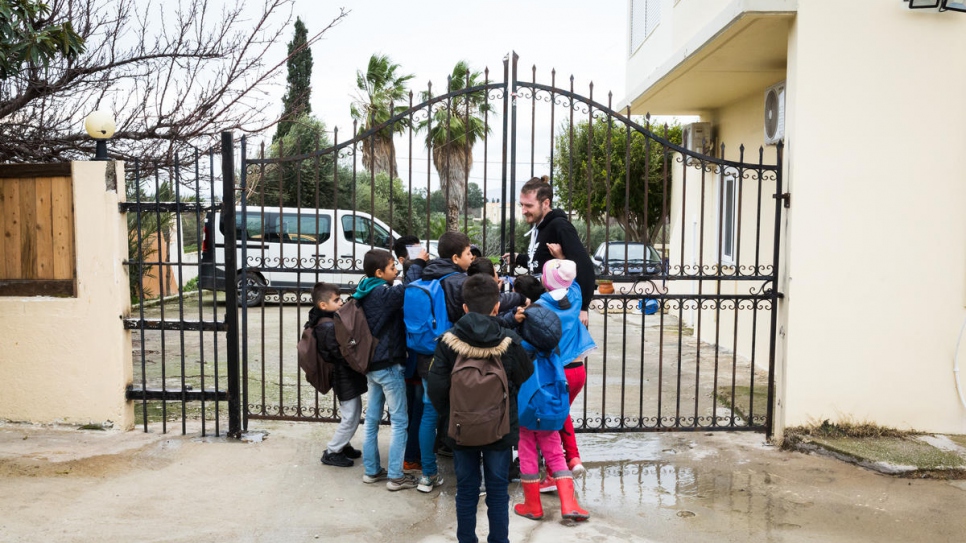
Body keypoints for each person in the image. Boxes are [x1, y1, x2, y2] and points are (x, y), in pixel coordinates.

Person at [426, 274, 534, 543]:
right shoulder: (509, 340)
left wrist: (453, 413)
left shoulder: (448, 342)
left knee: (466, 490)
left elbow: (437, 388)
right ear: (497, 307)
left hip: (461, 428)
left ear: (465, 308)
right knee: (498, 490)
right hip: (500, 428)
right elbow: (525, 373)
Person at [514, 259, 593, 522]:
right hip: (554, 403)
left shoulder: (525, 346)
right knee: (554, 451)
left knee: (526, 448)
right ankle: (569, 504)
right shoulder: (557, 352)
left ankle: (532, 505)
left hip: (529, 405)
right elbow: (575, 284)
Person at [405, 231, 474, 493]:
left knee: (428, 414)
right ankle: (466, 476)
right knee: (461, 412)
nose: (471, 257)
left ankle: (428, 475)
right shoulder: (458, 281)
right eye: (468, 253)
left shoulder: (424, 275)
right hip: (452, 355)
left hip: (424, 354)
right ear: (456, 257)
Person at [356, 248, 425, 491]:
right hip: (389, 365)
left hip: (372, 365)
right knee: (399, 421)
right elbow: (411, 286)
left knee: (372, 419)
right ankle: (396, 476)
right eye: (392, 268)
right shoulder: (383, 294)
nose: (396, 271)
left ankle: (372, 470)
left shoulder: (363, 289)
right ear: (379, 272)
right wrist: (415, 263)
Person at [507, 176, 596, 327]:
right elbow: (541, 260)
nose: (523, 211)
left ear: (546, 203)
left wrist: (583, 308)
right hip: (544, 311)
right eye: (521, 205)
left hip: (561, 313)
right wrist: (519, 258)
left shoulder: (560, 227)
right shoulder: (539, 226)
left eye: (528, 205)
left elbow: (585, 266)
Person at [308, 282, 367, 468]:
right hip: (343, 376)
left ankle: (343, 444)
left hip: (345, 376)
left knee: (352, 412)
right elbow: (339, 353)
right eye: (336, 300)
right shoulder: (326, 327)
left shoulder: (328, 320)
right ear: (323, 305)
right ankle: (333, 451)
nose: (341, 303)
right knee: (351, 415)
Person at [393, 235, 425, 473]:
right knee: (416, 409)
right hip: (413, 357)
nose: (422, 257)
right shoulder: (402, 288)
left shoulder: (417, 278)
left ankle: (413, 452)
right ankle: (411, 456)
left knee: (416, 409)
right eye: (416, 255)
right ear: (403, 259)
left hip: (413, 356)